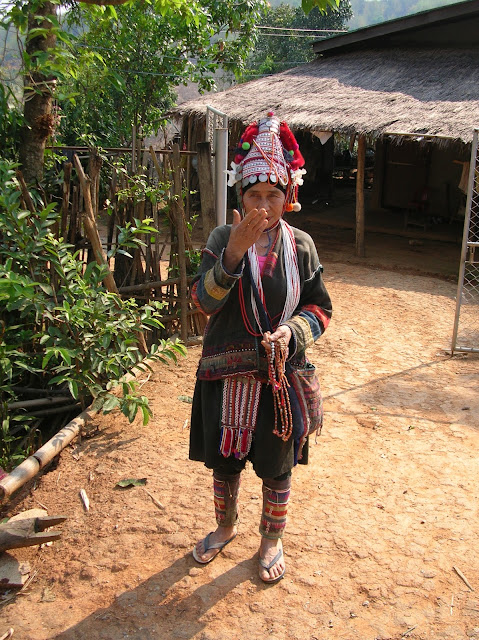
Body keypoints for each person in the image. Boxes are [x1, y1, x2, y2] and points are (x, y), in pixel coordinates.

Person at [189, 112, 332, 583]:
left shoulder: (303, 246)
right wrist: (232, 255)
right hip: (226, 376)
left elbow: (320, 309)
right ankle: (225, 527)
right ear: (242, 197)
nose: (264, 205)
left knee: (277, 465)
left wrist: (293, 331)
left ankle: (271, 538)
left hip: (279, 377)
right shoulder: (220, 238)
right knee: (225, 462)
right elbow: (203, 304)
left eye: (274, 195)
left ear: (288, 195)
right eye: (255, 195)